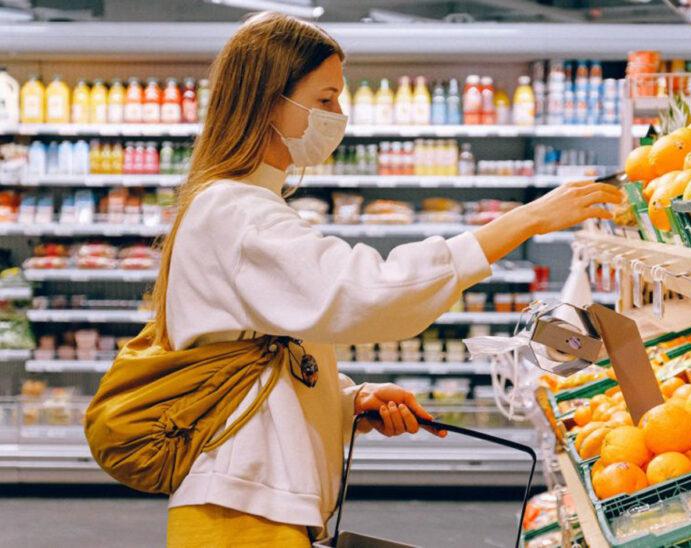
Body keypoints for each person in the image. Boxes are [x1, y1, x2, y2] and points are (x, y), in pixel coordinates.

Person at [160, 12, 622, 548]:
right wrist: (526, 219)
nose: (340, 115)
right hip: (238, 510)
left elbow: (259, 358)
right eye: (326, 99)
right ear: (269, 102)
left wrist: (346, 401)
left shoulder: (247, 205)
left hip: (256, 500)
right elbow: (365, 293)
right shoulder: (235, 212)